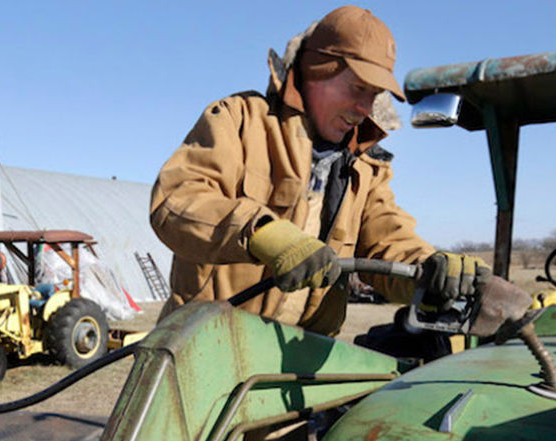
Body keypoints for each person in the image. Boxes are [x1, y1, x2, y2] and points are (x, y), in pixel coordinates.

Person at [151, 6, 489, 338]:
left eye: (374, 95)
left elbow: (389, 240)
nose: (365, 109)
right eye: (358, 88)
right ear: (316, 70)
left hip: (301, 359)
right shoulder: (240, 120)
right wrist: (263, 234)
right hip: (208, 343)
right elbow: (178, 198)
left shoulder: (367, 166)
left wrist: (431, 268)